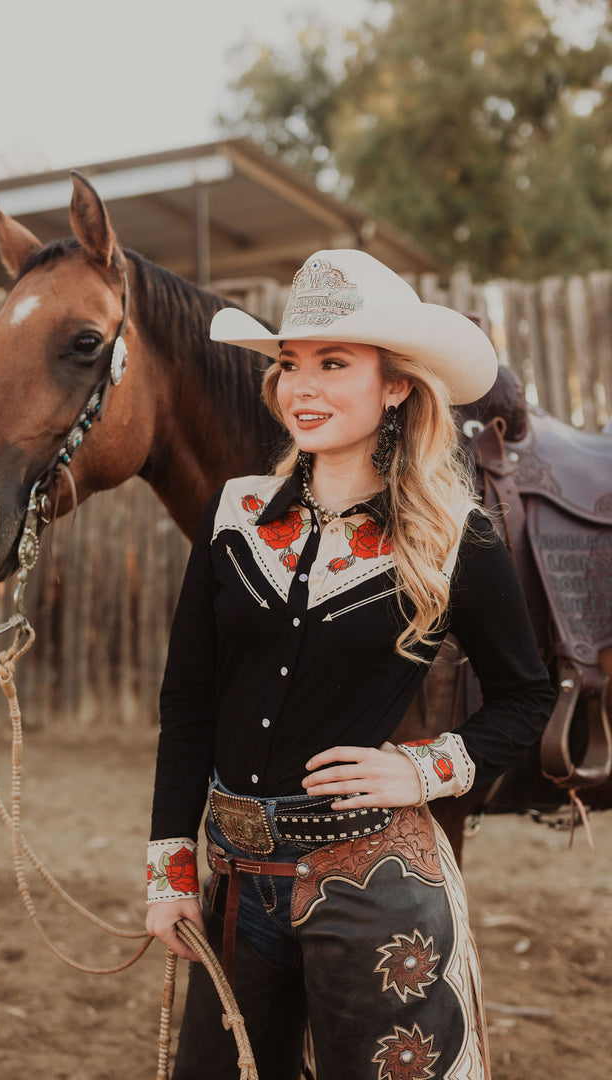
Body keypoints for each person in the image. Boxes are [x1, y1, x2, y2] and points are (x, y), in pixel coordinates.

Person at [145, 250, 555, 1080]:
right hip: (234, 887)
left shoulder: (450, 536)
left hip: (373, 885)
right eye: (292, 366)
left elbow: (525, 694)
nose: (303, 388)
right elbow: (188, 701)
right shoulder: (236, 516)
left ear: (395, 385)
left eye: (335, 365)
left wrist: (424, 769)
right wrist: (169, 870)